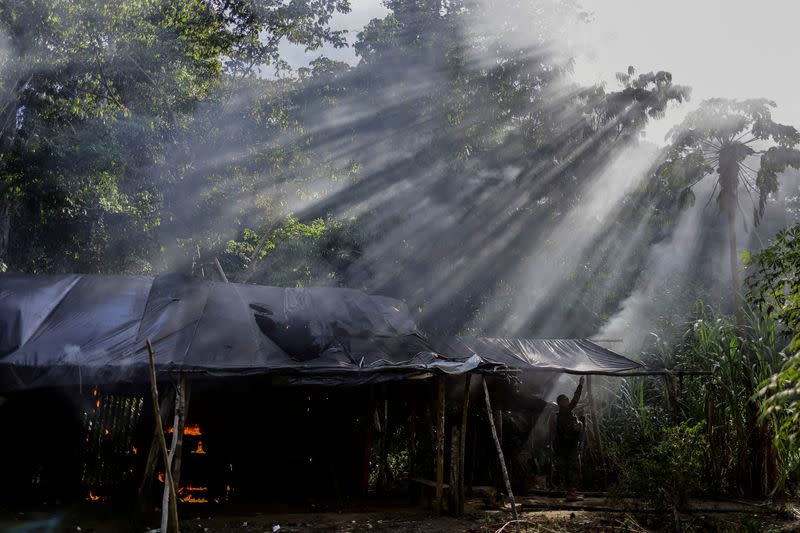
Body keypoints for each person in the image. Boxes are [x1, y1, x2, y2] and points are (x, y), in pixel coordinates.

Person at [555, 376, 584, 501]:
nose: (568, 400)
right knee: (574, 468)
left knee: (569, 468)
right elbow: (575, 400)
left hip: (566, 446)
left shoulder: (562, 413)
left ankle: (571, 493)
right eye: (565, 399)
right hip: (570, 446)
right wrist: (580, 385)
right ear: (561, 402)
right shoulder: (565, 411)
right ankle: (571, 494)